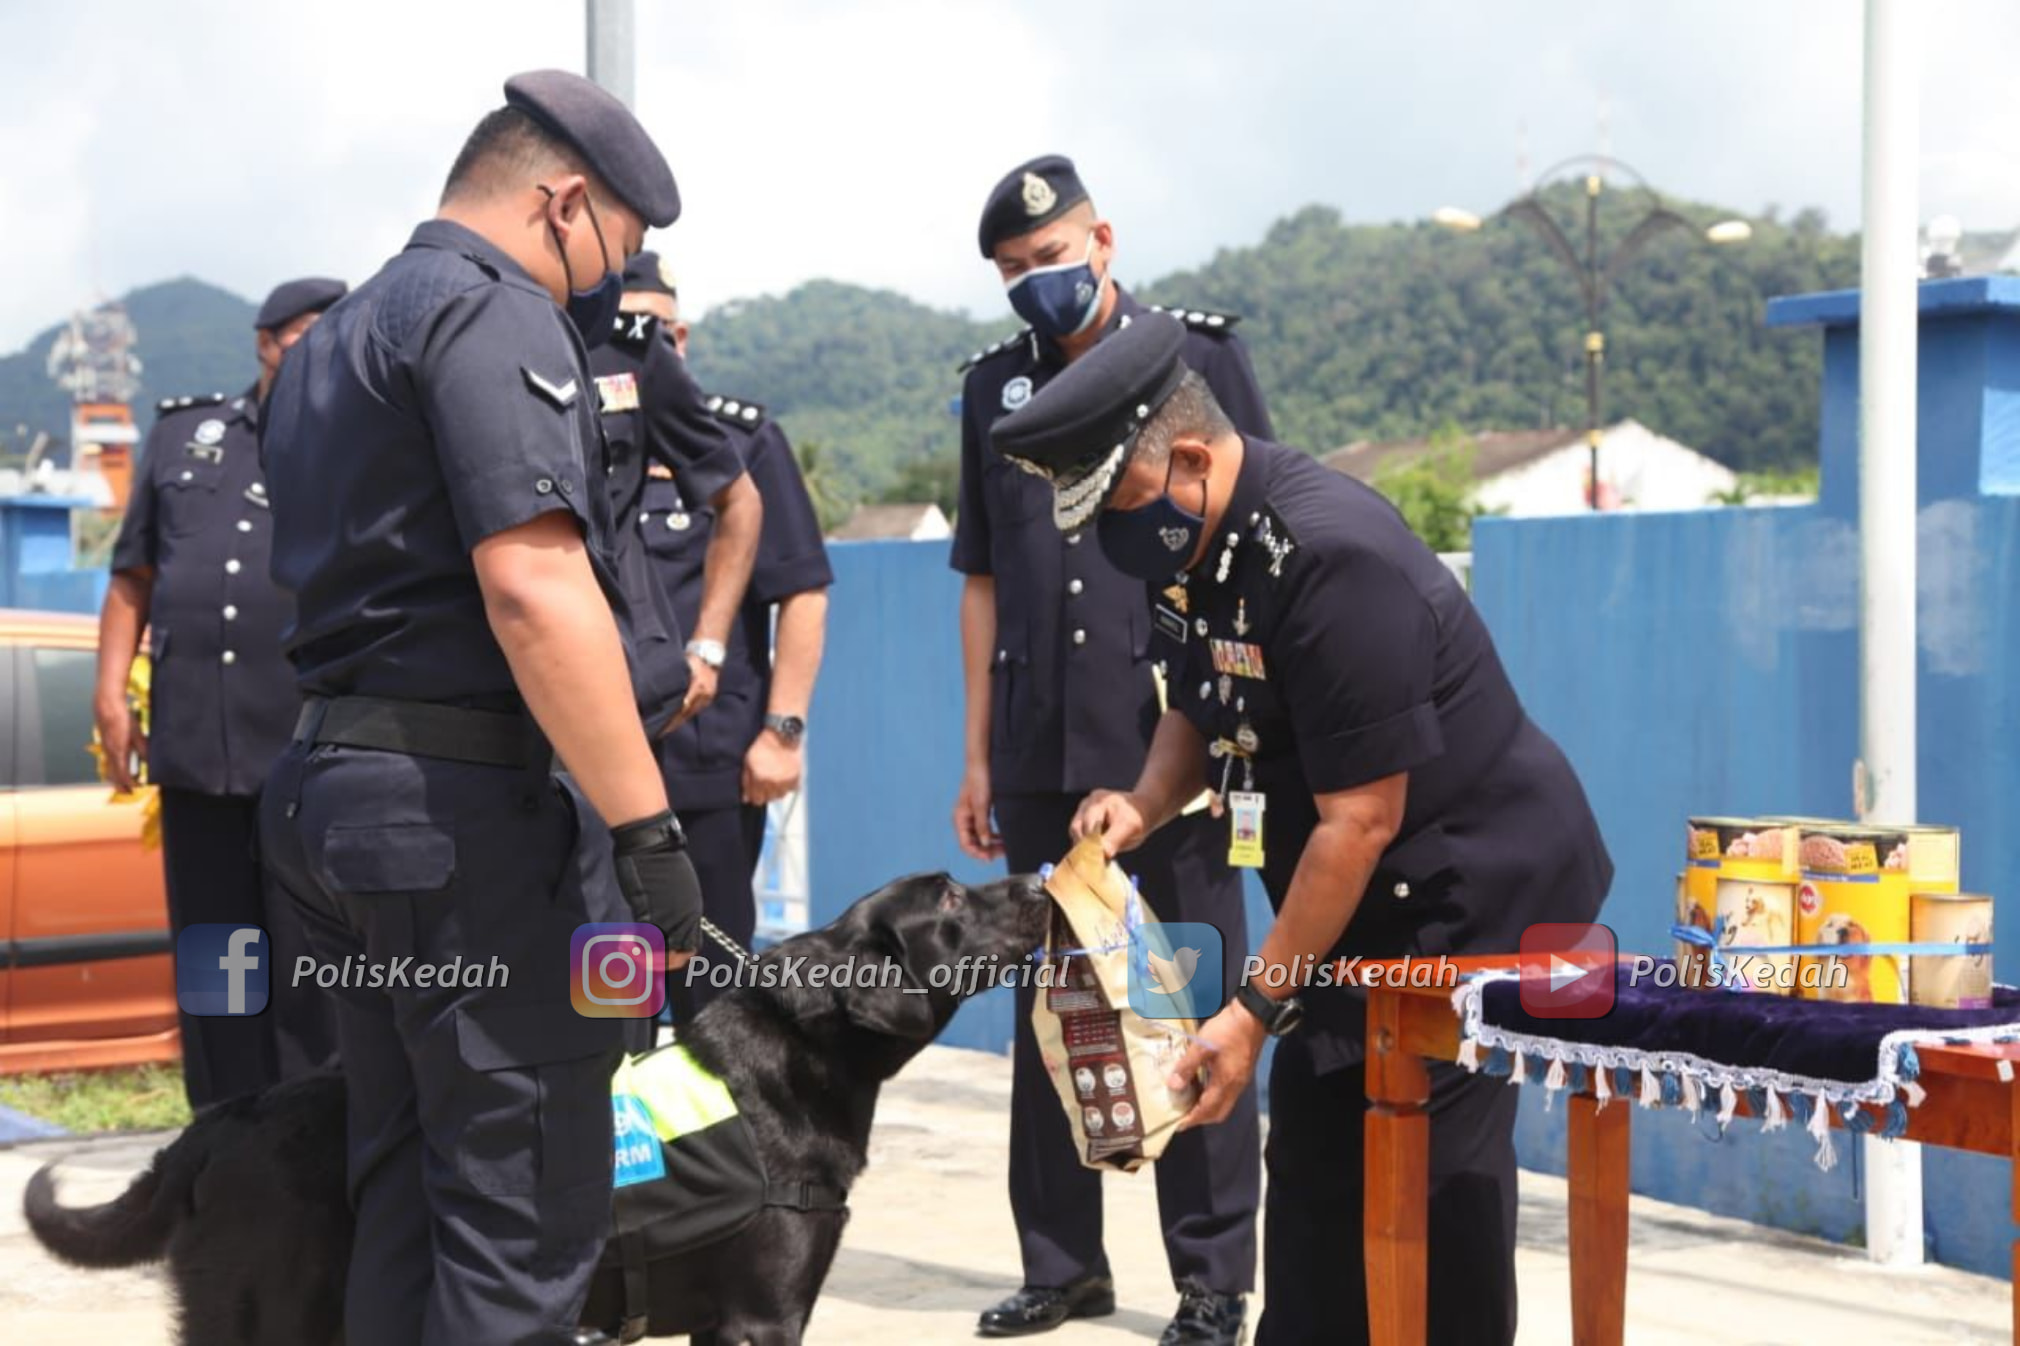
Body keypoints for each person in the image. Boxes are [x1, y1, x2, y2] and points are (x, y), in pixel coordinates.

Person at [993, 314, 1614, 1346]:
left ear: (1190, 456)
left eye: (1123, 507)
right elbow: (1198, 695)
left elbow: (1359, 821)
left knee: (1436, 1183)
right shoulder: (1194, 537)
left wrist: (1248, 1008)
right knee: (1321, 1166)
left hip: (1469, 899)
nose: (1115, 540)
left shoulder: (1331, 558)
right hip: (1351, 908)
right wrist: (1144, 799)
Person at [256, 71, 705, 1346]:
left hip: (337, 806)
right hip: (463, 824)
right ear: (563, 202)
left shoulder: (335, 338)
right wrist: (647, 832)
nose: (610, 280)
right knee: (522, 1212)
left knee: (402, 1185)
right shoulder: (490, 311)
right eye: (616, 246)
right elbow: (532, 580)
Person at [952, 154, 1266, 1346]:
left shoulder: (1199, 358)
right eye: (1013, 271)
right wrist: (977, 755)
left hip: (1167, 745)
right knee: (1055, 1012)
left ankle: (1209, 1279)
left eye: (1052, 256)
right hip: (1037, 749)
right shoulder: (992, 389)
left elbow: (1248, 530)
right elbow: (981, 577)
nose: (1038, 281)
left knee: (1180, 999)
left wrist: (1238, 718)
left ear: (1103, 239)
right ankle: (1062, 1263)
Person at [96, 275, 346, 1110]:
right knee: (218, 961)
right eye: (306, 333)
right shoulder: (183, 435)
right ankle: (223, 1132)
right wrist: (109, 697)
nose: (321, 348)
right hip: (201, 755)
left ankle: (308, 1143)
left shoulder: (356, 440)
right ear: (265, 342)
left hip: (306, 761)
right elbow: (132, 577)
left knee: (308, 967)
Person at [611, 254, 834, 1018]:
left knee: (715, 1005)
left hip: (711, 770)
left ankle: (716, 1144)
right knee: (609, 1000)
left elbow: (801, 590)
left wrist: (783, 732)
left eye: (657, 332)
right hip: (599, 769)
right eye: (623, 331)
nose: (643, 349)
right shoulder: (570, 441)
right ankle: (618, 1143)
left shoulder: (741, 439)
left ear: (682, 334)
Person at [588, 251, 760, 753]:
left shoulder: (631, 356)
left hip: (649, 692)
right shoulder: (504, 340)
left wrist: (706, 650)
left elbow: (744, 508)